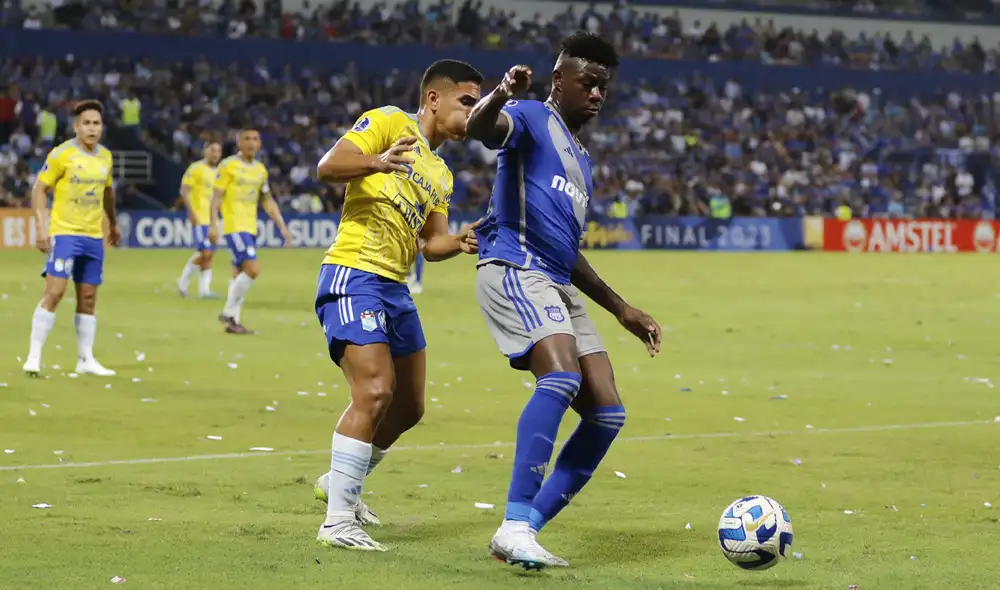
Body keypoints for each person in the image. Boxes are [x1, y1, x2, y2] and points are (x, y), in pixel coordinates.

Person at [464, 32, 663, 570]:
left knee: (607, 414)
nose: (597, 94)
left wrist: (622, 308)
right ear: (559, 80)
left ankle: (524, 529)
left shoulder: (581, 158)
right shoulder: (528, 116)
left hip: (556, 278)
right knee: (560, 377)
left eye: (604, 87)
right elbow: (479, 129)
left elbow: (568, 249)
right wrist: (502, 93)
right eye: (588, 83)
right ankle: (512, 520)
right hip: (515, 267)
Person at [311, 59, 483, 552]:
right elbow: (328, 167)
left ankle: (336, 482)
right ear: (433, 99)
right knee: (375, 390)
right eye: (466, 101)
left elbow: (432, 243)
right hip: (354, 271)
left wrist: (465, 239)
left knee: (408, 406)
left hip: (395, 288)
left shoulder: (442, 173)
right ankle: (338, 521)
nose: (474, 112)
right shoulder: (389, 122)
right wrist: (377, 160)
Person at [23, 99, 120, 377]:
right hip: (65, 234)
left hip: (92, 236)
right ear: (76, 126)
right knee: (54, 292)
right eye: (87, 123)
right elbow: (39, 190)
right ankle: (34, 356)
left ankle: (85, 359)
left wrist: (112, 223)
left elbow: (107, 193)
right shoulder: (61, 154)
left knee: (88, 297)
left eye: (97, 123)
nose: (92, 128)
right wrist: (42, 229)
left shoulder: (105, 157)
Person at [208, 129, 292, 334]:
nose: (251, 142)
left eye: (255, 139)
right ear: (238, 143)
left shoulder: (260, 170)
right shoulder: (228, 165)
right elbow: (216, 197)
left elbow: (268, 201)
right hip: (234, 226)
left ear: (260, 144)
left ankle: (233, 322)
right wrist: (212, 224)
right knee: (252, 269)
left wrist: (282, 227)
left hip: (250, 227)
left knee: (239, 273)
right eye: (246, 139)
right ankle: (228, 312)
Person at [176, 140, 222, 298]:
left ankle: (204, 290)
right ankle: (183, 281)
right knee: (205, 252)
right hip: (200, 217)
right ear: (205, 151)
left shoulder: (220, 172)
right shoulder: (196, 168)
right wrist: (191, 212)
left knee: (210, 254)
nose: (215, 154)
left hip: (213, 220)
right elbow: (184, 190)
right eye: (212, 150)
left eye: (218, 151)